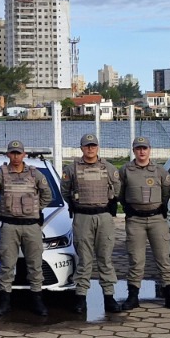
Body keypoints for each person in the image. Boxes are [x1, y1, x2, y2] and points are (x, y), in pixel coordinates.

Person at [0, 140, 52, 318]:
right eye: (12, 153)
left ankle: (37, 300)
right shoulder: (0, 175)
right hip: (9, 226)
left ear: (24, 154)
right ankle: (5, 301)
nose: (15, 156)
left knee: (35, 264)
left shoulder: (35, 174)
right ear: (8, 155)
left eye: (18, 153)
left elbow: (47, 194)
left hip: (31, 226)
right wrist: (1, 209)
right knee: (7, 264)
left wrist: (37, 209)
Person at [63, 133, 121, 314]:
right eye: (87, 146)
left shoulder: (109, 168)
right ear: (81, 148)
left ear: (98, 147)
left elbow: (117, 189)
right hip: (82, 217)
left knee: (105, 258)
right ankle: (80, 297)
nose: (90, 149)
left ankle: (109, 298)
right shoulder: (71, 169)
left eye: (93, 145)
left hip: (103, 216)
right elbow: (65, 191)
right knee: (84, 259)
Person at [120, 137, 170, 309]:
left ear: (150, 149)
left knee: (164, 259)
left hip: (157, 219)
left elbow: (166, 193)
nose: (141, 152)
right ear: (134, 150)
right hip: (135, 220)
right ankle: (133, 296)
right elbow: (120, 194)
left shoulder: (160, 171)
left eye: (144, 148)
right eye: (138, 149)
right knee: (136, 259)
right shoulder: (125, 170)